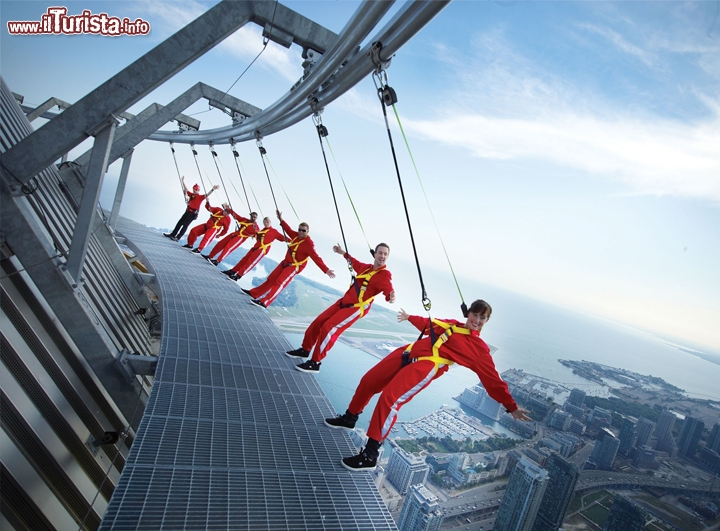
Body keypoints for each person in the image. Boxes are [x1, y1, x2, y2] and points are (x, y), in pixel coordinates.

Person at [324, 300, 531, 471]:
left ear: (486, 320)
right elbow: (431, 324)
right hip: (408, 352)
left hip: (427, 365)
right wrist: (410, 317)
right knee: (369, 381)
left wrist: (510, 406)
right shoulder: (453, 325)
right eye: (475, 315)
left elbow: (492, 378)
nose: (477, 320)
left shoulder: (479, 349)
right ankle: (349, 418)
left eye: (482, 317)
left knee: (390, 399)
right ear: (468, 313)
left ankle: (370, 454)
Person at [287, 243, 395, 373]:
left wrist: (391, 296)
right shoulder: (366, 268)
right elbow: (354, 262)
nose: (382, 256)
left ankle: (315, 362)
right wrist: (342, 252)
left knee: (329, 327)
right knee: (318, 322)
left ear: (387, 257)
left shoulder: (385, 275)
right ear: (375, 254)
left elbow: (388, 288)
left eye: (385, 254)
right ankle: (305, 350)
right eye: (380, 253)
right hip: (344, 302)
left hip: (356, 308)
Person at [243, 210, 335, 308]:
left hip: (294, 266)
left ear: (307, 232)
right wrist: (280, 219)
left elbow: (317, 258)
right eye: (300, 229)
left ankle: (265, 302)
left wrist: (326, 270)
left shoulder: (309, 244)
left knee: (279, 283)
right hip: (285, 262)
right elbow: (287, 229)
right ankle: (254, 293)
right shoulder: (296, 236)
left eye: (303, 230)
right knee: (271, 279)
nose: (300, 232)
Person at [222, 216, 286, 280]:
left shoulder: (274, 231)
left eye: (267, 222)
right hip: (255, 248)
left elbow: (282, 238)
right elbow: (259, 240)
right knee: (244, 260)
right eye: (264, 222)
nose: (266, 223)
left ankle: (238, 276)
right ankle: (233, 271)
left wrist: (290, 240)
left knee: (249, 263)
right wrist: (256, 234)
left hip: (261, 249)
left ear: (270, 222)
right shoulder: (263, 230)